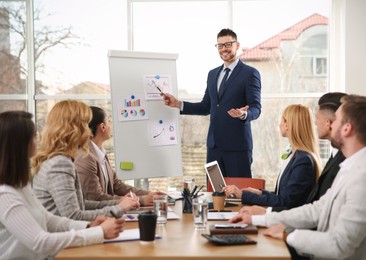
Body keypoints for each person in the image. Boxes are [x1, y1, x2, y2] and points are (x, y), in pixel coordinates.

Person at [230, 94, 366, 259]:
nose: (328, 124)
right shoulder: (353, 165)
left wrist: (288, 236)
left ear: (347, 128)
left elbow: (339, 245)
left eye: (335, 121)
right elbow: (317, 210)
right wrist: (260, 219)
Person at [0, 111, 125, 260]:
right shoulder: (5, 194)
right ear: (20, 143)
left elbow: (48, 219)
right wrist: (98, 233)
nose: (37, 140)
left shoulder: (20, 185)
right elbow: (40, 242)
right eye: (33, 136)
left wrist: (89, 226)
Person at [162, 28, 261, 178]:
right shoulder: (212, 74)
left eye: (227, 44)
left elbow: (256, 108)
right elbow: (206, 106)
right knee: (214, 193)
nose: (223, 49)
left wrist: (243, 114)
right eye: (220, 46)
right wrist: (178, 104)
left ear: (237, 45)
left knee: (240, 195)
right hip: (214, 147)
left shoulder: (250, 73)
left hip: (237, 148)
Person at [32, 100, 140, 221]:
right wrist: (119, 208)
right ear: (74, 129)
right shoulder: (60, 164)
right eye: (85, 125)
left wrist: (118, 204)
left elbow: (81, 204)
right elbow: (74, 216)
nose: (89, 131)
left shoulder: (59, 159)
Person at [224, 104, 321, 209]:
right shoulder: (295, 155)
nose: (280, 124)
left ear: (289, 124)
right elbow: (282, 195)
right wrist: (260, 193)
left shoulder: (303, 160)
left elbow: (285, 202)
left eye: (282, 121)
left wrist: (242, 195)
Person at [74, 106, 165, 205]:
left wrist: (149, 194)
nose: (111, 126)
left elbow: (117, 185)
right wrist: (140, 200)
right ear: (102, 127)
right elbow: (96, 198)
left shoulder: (100, 153)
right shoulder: (85, 157)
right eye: (109, 122)